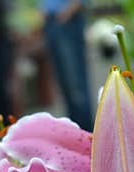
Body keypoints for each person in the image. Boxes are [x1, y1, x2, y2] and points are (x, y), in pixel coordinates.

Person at [41, 0, 93, 131]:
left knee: (75, 84)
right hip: (52, 22)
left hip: (68, 21)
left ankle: (87, 133)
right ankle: (74, 132)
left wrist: (68, 11)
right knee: (64, 84)